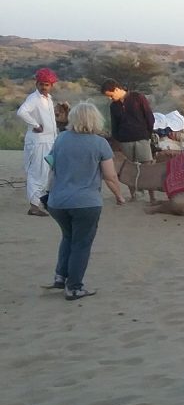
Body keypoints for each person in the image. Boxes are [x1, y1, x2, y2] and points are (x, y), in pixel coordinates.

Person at [44, 102, 125, 299]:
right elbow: (110, 176)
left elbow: (52, 168)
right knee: (81, 243)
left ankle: (60, 276)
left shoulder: (61, 139)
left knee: (68, 236)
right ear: (95, 120)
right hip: (86, 203)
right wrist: (119, 195)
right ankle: (74, 287)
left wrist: (48, 192)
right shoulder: (100, 143)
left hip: (57, 201)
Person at [101, 78, 155, 201]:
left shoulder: (138, 98)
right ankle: (134, 196)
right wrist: (118, 140)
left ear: (116, 89)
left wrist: (148, 135)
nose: (110, 98)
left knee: (147, 168)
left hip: (142, 138)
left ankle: (152, 197)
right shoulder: (114, 106)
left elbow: (149, 118)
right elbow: (114, 125)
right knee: (129, 169)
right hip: (125, 141)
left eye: (110, 95)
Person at [16, 67, 60, 216]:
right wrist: (35, 125)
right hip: (38, 142)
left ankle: (42, 202)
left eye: (46, 84)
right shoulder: (33, 98)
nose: (43, 87)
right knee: (37, 173)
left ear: (51, 85)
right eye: (41, 84)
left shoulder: (48, 99)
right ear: (37, 84)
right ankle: (34, 206)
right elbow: (22, 112)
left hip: (49, 141)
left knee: (47, 173)